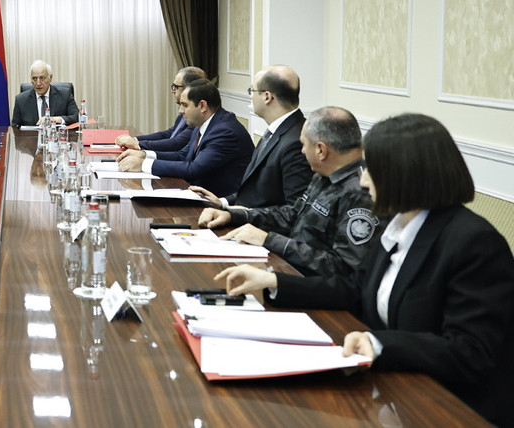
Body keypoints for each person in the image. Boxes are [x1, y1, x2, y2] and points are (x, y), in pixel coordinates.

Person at [215, 114, 514, 427]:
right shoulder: (400, 225)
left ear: (405, 173)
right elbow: (355, 289)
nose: (363, 180)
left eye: (373, 169)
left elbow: (471, 352)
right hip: (395, 390)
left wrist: (380, 344)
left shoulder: (474, 243)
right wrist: (274, 282)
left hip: (449, 408)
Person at [197, 106, 377, 278]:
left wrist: (269, 240)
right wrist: (234, 215)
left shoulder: (361, 192)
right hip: (289, 268)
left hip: (313, 289)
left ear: (321, 150)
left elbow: (343, 268)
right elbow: (292, 215)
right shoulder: (324, 173)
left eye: (304, 145)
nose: (302, 151)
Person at [194, 65, 311, 208]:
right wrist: (223, 202)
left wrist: (239, 214)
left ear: (267, 97)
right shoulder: (275, 130)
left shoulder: (297, 141)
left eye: (252, 91)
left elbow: (294, 209)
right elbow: (256, 190)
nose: (250, 96)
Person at [117, 80, 252, 199]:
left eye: (184, 105)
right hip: (198, 195)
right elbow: (182, 155)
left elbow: (194, 168)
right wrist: (144, 155)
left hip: (221, 205)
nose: (180, 111)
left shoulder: (225, 131)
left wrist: (143, 164)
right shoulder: (205, 124)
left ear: (202, 106)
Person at [116, 67, 205, 152]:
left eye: (175, 86)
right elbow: (168, 134)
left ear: (189, 88)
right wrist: (134, 140)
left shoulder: (197, 115)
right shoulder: (184, 113)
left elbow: (177, 144)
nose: (172, 91)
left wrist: (137, 144)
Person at [10, 60, 79, 127]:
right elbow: (15, 127)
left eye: (42, 78)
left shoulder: (65, 95)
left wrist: (55, 119)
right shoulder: (21, 100)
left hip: (57, 137)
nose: (38, 83)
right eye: (34, 78)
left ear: (50, 78)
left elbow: (77, 117)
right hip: (32, 138)